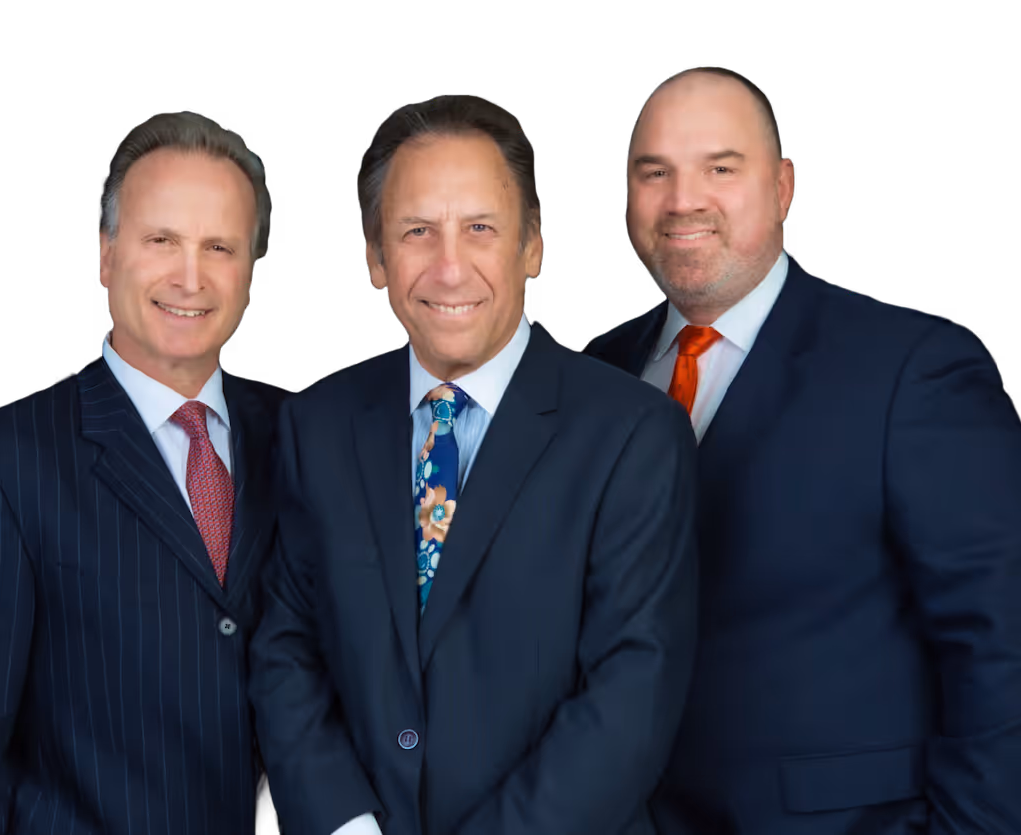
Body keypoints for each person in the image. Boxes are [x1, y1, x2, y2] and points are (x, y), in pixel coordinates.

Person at [248, 94, 700, 835]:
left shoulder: (633, 434)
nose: (449, 268)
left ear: (534, 248)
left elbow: (631, 696)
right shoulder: (317, 424)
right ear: (374, 257)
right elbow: (287, 648)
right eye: (417, 231)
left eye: (481, 229)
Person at [586, 67, 1021, 834]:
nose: (683, 199)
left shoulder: (911, 369)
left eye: (721, 168)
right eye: (655, 173)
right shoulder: (595, 376)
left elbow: (1000, 643)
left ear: (784, 187)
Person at [0, 111, 283, 833]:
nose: (189, 276)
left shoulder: (305, 437)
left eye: (218, 246)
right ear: (106, 255)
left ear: (249, 274)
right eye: (161, 240)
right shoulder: (0, 463)